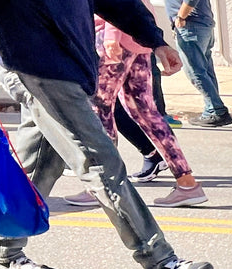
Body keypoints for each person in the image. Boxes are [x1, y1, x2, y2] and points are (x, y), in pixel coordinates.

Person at [0, 0, 211, 269]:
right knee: (101, 163)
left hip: (69, 66)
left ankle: (2, 250)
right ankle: (159, 262)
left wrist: (155, 41)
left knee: (41, 164)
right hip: (35, 66)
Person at [84, 16, 205, 208]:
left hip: (115, 35)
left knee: (101, 108)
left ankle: (104, 185)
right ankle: (187, 184)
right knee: (146, 112)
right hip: (137, 40)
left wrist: (111, 35)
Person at [165, 0, 232, 126]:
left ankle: (217, 111)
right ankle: (211, 110)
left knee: (195, 72)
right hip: (199, 25)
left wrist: (181, 16)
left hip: (191, 26)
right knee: (205, 70)